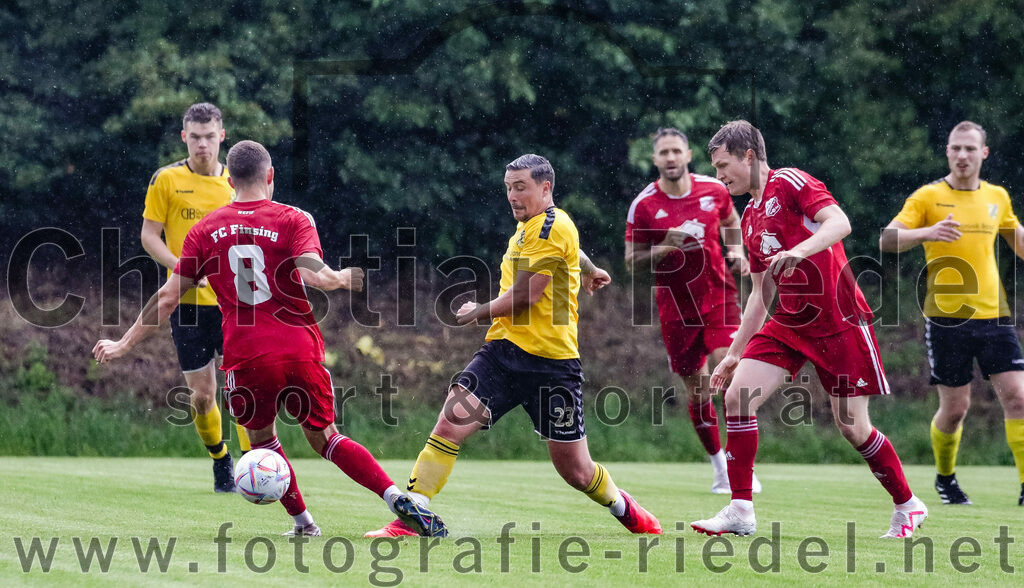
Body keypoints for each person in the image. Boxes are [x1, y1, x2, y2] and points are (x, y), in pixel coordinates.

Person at [95, 140, 447, 538]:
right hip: (299, 347)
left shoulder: (204, 230)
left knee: (262, 443)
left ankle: (304, 523)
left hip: (246, 355)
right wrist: (342, 278)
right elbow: (314, 275)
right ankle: (394, 497)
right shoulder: (293, 218)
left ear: (230, 180)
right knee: (327, 438)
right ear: (270, 175)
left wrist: (123, 343)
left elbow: (167, 298)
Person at [365, 154, 662, 537]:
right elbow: (568, 252)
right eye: (508, 188)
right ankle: (414, 515)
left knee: (576, 470)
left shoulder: (553, 226)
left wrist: (478, 311)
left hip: (552, 365)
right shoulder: (530, 227)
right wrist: (588, 269)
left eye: (520, 187)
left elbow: (526, 296)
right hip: (503, 354)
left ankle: (623, 507)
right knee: (451, 422)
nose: (512, 196)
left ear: (545, 187)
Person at [689, 120, 927, 538]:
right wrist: (734, 353)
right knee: (737, 396)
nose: (719, 176)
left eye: (723, 165)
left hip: (840, 320)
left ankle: (908, 504)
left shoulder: (790, 182)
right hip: (790, 323)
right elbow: (760, 295)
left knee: (853, 427)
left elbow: (840, 223)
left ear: (749, 156)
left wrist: (799, 250)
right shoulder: (750, 218)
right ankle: (740, 509)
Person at [880, 120, 1024, 506]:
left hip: (995, 317)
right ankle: (946, 479)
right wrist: (926, 233)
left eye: (970, 149)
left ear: (984, 153)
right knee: (956, 408)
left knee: (1018, 398)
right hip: (947, 319)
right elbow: (887, 238)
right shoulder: (928, 197)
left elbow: (1017, 239)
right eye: (956, 148)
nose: (962, 155)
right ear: (947, 152)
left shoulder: (997, 197)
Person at [625, 127, 761, 494]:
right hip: (675, 309)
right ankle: (719, 467)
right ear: (655, 159)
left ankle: (740, 466)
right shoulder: (644, 205)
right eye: (663, 152)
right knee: (699, 391)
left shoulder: (714, 189)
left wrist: (737, 251)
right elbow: (632, 260)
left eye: (676, 151)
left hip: (718, 296)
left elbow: (731, 221)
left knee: (731, 373)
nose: (670, 157)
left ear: (687, 155)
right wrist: (662, 248)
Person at [140, 103, 250, 492]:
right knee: (202, 396)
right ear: (184, 137)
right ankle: (221, 458)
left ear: (222, 137)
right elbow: (149, 236)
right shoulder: (167, 180)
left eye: (210, 137)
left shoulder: (238, 183)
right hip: (187, 306)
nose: (203, 144)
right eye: (195, 137)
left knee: (244, 390)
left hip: (234, 305)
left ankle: (255, 465)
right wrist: (183, 268)